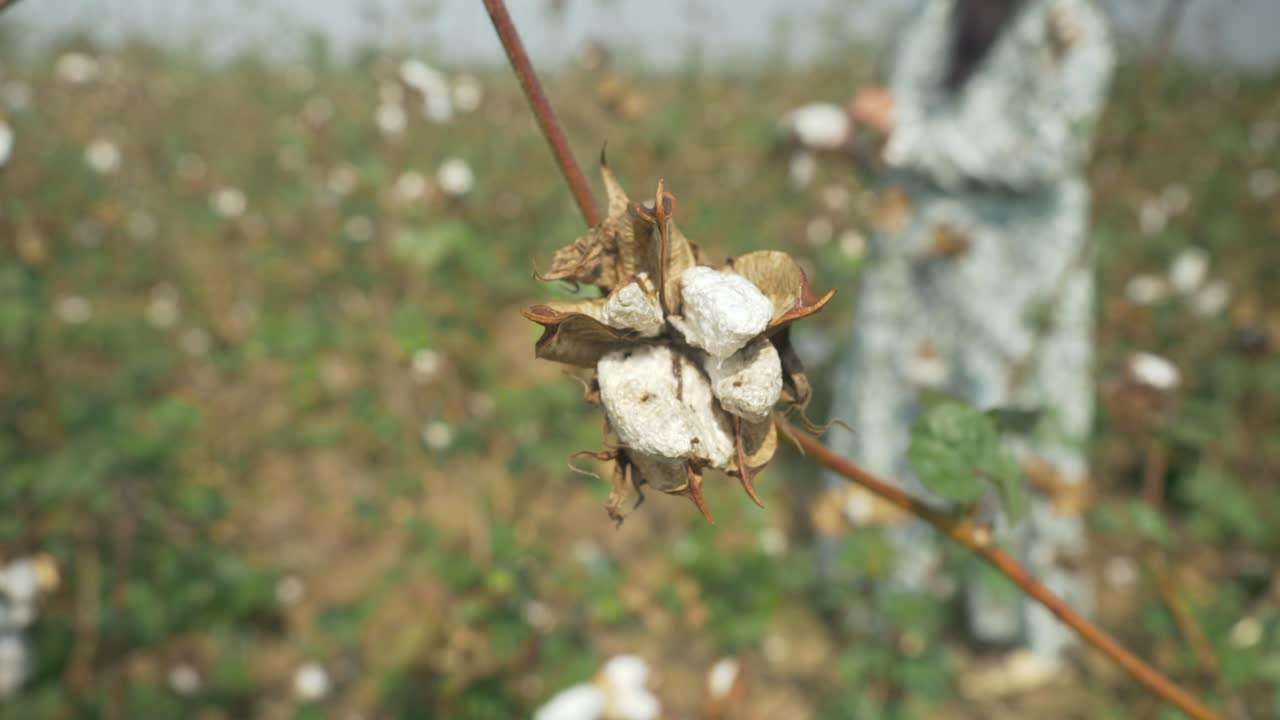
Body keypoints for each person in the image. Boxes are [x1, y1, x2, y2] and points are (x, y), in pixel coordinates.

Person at [827, 0, 1115, 660]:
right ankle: (902, 607)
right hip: (923, 268)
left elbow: (1051, 153)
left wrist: (909, 136)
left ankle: (1035, 638)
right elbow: (914, 142)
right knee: (913, 425)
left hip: (1020, 281)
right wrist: (868, 144)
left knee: (1021, 431)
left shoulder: (1069, 26)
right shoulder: (936, 17)